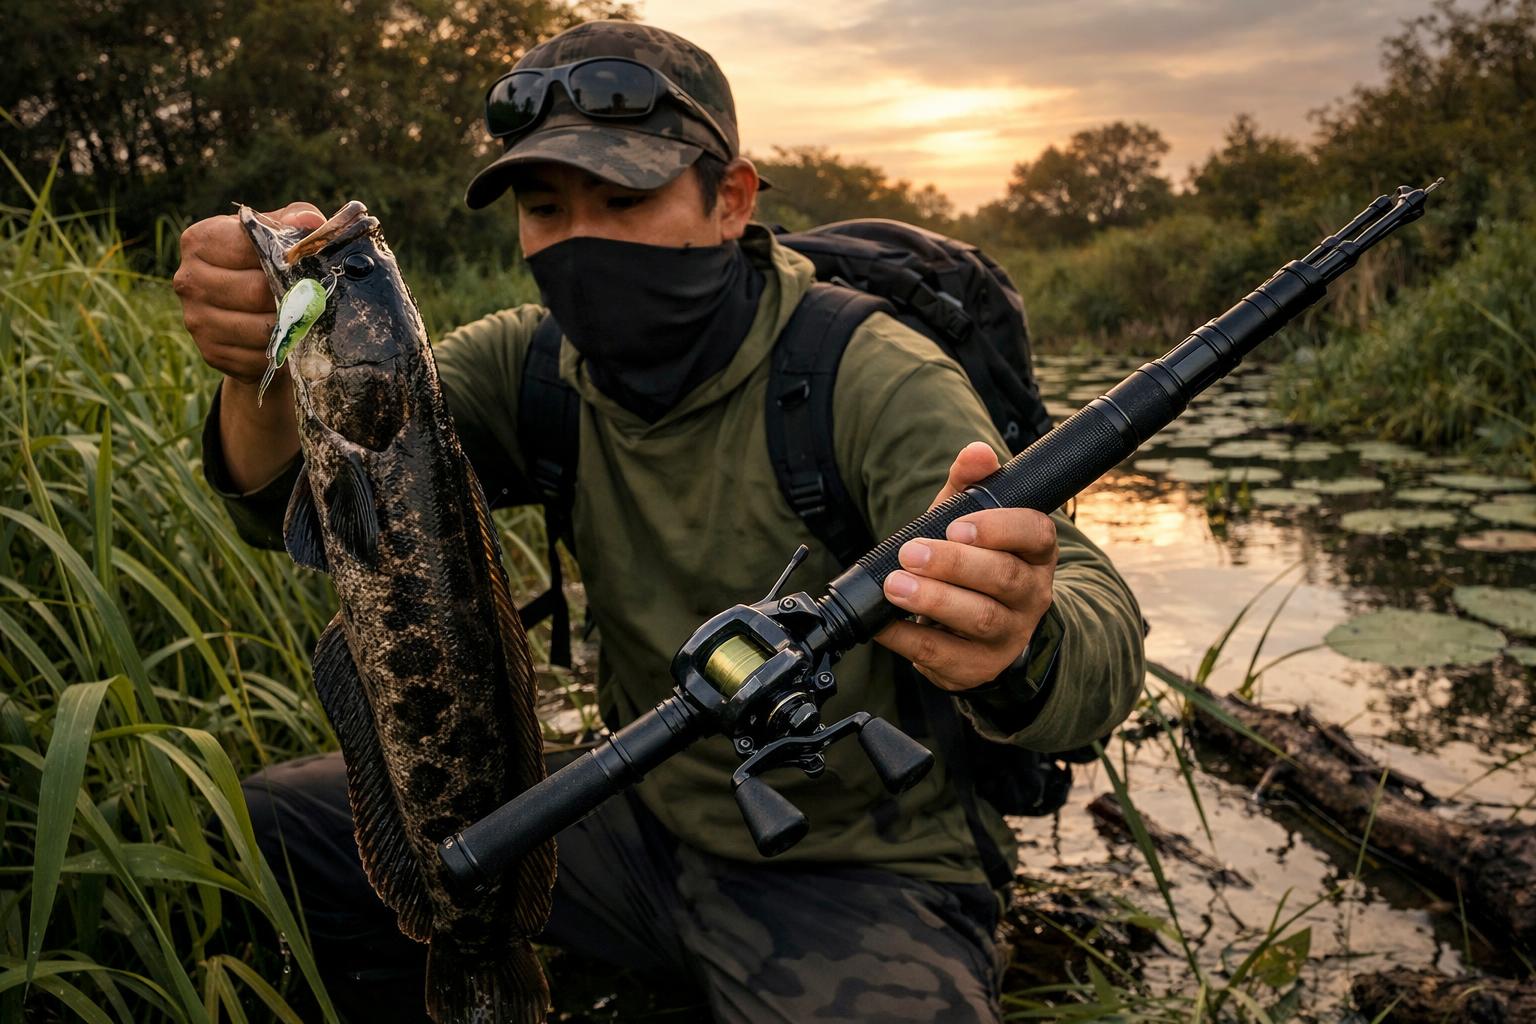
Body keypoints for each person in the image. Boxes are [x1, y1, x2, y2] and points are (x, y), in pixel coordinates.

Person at [173, 19, 1145, 1024]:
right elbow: (304, 489)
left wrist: (1018, 635)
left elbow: (1098, 632)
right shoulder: (532, 365)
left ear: (730, 199)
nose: (582, 236)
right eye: (547, 206)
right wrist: (264, 363)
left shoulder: (865, 373)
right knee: (274, 830)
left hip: (852, 864)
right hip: (627, 815)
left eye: (625, 197)